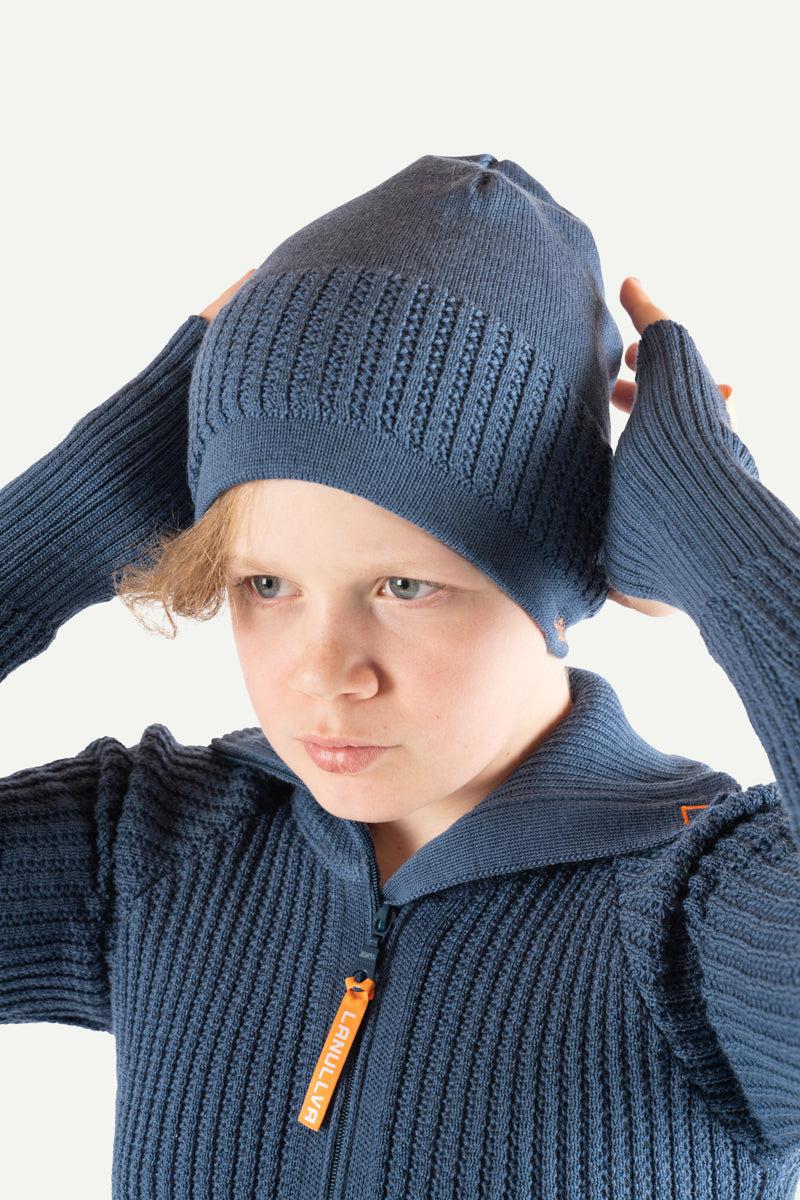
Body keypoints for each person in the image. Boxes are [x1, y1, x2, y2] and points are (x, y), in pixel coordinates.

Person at [1, 153, 798, 1198]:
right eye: (266, 583)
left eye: (406, 586)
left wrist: (725, 542)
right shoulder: (154, 848)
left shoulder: (703, 917)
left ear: (570, 579)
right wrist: (69, 513)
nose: (322, 674)